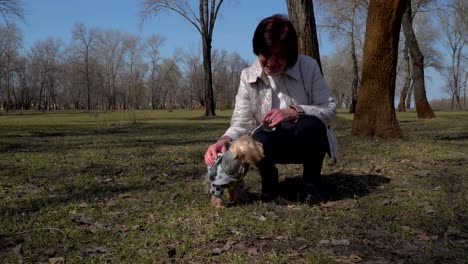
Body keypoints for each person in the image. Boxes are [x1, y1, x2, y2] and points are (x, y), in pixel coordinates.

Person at [204, 14, 338, 204]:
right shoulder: (247, 76)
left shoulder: (308, 67)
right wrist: (223, 141)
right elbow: (241, 123)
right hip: (269, 146)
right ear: (257, 51)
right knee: (256, 138)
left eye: (280, 56)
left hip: (304, 140)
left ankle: (311, 183)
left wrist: (293, 111)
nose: (272, 62)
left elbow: (329, 109)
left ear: (290, 54)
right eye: (266, 55)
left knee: (312, 125)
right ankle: (269, 181)